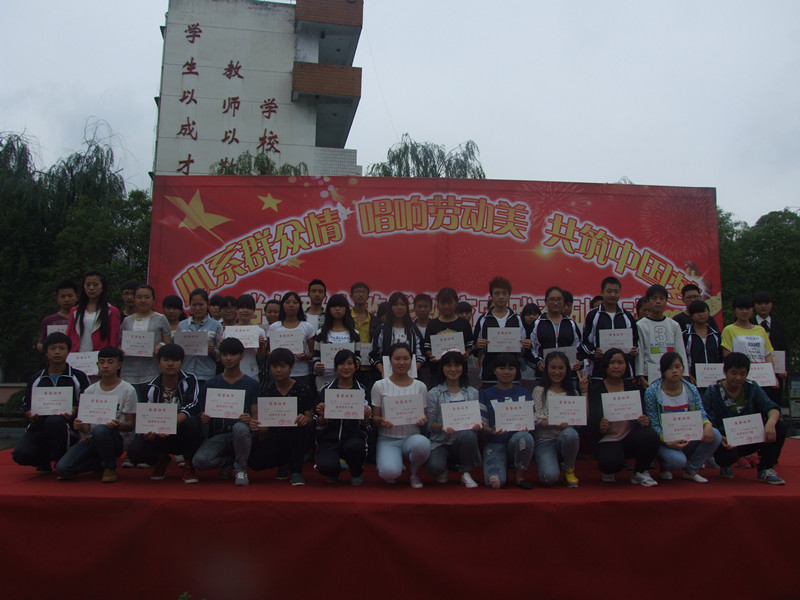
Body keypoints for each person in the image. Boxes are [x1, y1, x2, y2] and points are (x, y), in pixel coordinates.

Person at [54, 346, 137, 483]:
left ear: (119, 365)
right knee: (62, 469)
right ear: (97, 364)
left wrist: (117, 425)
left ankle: (110, 468)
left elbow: (130, 425)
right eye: (102, 362)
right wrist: (80, 425)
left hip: (116, 439)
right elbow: (87, 428)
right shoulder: (90, 390)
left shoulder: (128, 390)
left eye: (110, 362)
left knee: (101, 429)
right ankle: (100, 464)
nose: (105, 366)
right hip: (93, 438)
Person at [702, 352, 787, 484]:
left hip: (750, 437)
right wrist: (719, 437)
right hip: (726, 442)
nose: (738, 378)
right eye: (734, 373)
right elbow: (705, 417)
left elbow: (771, 407)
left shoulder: (752, 387)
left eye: (742, 373)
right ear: (725, 371)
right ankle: (725, 466)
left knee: (779, 426)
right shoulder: (713, 391)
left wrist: (770, 422)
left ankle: (766, 469)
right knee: (725, 456)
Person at [126, 343, 204, 483]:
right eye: (166, 360)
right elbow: (145, 415)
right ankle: (161, 459)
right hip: (159, 434)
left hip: (182, 431)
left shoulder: (190, 380)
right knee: (135, 452)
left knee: (192, 423)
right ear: (158, 363)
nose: (170, 364)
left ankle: (188, 464)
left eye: (175, 360)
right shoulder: (149, 387)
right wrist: (148, 432)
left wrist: (169, 423)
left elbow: (192, 405)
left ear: (181, 363)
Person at [12, 332, 90, 472]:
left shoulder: (78, 377)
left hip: (67, 426)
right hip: (40, 424)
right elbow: (26, 403)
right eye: (53, 348)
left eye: (62, 348)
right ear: (46, 352)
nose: (57, 352)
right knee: (20, 454)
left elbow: (87, 402)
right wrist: (30, 413)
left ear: (68, 351)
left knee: (54, 421)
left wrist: (75, 409)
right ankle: (43, 460)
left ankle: (62, 461)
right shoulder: (36, 378)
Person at [643, 352, 721, 483]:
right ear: (662, 371)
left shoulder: (691, 389)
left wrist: (707, 424)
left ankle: (691, 470)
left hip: (688, 435)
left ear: (683, 368)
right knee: (677, 462)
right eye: (669, 368)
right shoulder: (652, 392)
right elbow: (654, 422)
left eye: (677, 367)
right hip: (665, 440)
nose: (674, 371)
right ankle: (664, 465)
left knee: (715, 434)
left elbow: (700, 412)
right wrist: (666, 441)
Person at [588, 348, 660, 486]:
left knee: (650, 435)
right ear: (605, 365)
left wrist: (645, 421)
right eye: (612, 362)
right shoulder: (595, 389)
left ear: (626, 365)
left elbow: (643, 414)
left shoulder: (633, 388)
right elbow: (591, 422)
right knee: (611, 463)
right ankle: (609, 469)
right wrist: (600, 427)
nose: (616, 366)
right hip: (608, 439)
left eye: (620, 362)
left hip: (630, 437)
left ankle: (640, 472)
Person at [193, 337, 258, 485]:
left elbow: (256, 416)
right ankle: (229, 462)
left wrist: (250, 420)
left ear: (242, 356)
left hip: (242, 435)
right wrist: (203, 417)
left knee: (240, 428)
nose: (228, 358)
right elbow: (202, 411)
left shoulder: (252, 384)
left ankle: (241, 469)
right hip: (219, 435)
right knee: (200, 461)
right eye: (224, 354)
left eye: (233, 354)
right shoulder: (211, 383)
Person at [250, 348, 315, 485]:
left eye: (282, 366)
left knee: (299, 428)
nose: (278, 370)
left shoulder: (303, 389)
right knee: (255, 462)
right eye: (274, 366)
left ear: (291, 367)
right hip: (276, 437)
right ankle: (284, 463)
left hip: (298, 437)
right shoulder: (267, 392)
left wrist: (305, 419)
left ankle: (296, 471)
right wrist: (256, 425)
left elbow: (310, 418)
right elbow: (264, 429)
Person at [371, 343, 431, 487]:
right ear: (390, 361)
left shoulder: (420, 386)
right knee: (389, 474)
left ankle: (413, 473)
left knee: (423, 444)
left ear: (411, 360)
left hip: (412, 437)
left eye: (406, 358)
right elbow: (375, 418)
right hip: (388, 439)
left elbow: (424, 416)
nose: (401, 363)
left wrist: (423, 420)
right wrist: (382, 421)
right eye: (397, 359)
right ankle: (394, 463)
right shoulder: (379, 385)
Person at [313, 349, 370, 485]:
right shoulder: (325, 390)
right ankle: (334, 468)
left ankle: (356, 471)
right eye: (341, 364)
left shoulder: (362, 391)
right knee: (326, 466)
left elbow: (368, 425)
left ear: (355, 366)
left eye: (350, 363)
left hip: (353, 437)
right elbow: (316, 423)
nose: (346, 367)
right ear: (335, 368)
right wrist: (322, 418)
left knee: (355, 447)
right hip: (329, 439)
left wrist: (366, 418)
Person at [425, 351, 481, 488]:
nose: (453, 369)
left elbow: (476, 419)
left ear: (463, 367)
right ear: (442, 368)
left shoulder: (472, 393)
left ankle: (466, 472)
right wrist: (442, 426)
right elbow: (430, 426)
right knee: (434, 467)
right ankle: (443, 468)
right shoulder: (434, 393)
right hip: (440, 442)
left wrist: (477, 425)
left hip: (462, 441)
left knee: (469, 435)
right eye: (448, 366)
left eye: (457, 365)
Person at [479, 353, 535, 489]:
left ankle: (519, 475)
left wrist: (528, 426)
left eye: (511, 368)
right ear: (494, 371)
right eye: (502, 368)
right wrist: (490, 430)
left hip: (517, 441)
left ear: (516, 371)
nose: (506, 372)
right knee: (494, 483)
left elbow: (533, 419)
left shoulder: (524, 393)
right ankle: (503, 465)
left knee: (525, 438)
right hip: (495, 442)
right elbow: (481, 423)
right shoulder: (485, 394)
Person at [532, 351, 587, 487]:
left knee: (571, 434)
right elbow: (537, 419)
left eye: (561, 368)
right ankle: (552, 461)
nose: (557, 372)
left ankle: (569, 468)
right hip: (544, 440)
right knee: (549, 478)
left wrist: (584, 391)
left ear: (567, 370)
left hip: (565, 436)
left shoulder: (573, 393)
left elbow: (583, 416)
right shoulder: (539, 391)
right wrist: (556, 424)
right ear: (546, 369)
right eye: (553, 368)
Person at [473, 276, 530, 387]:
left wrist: (526, 345)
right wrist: (478, 346)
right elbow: (475, 351)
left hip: (512, 376)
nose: (501, 297)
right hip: (489, 375)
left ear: (509, 295)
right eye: (497, 293)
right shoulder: (483, 319)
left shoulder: (517, 318)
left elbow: (523, 349)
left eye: (504, 293)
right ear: (491, 295)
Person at [581, 276, 638, 381]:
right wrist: (594, 353)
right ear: (602, 293)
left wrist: (634, 350)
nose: (613, 295)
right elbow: (584, 343)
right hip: (599, 371)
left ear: (620, 293)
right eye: (609, 291)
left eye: (616, 292)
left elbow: (635, 341)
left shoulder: (627, 316)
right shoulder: (593, 315)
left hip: (624, 372)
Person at [635, 284, 687, 388]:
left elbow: (680, 350)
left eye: (662, 298)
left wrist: (684, 374)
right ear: (648, 301)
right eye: (654, 298)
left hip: (672, 373)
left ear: (666, 301)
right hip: (649, 374)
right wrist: (640, 376)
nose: (658, 301)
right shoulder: (640, 325)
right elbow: (640, 353)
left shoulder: (674, 325)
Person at [423, 287, 474, 388]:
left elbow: (470, 345)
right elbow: (427, 347)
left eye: (450, 303)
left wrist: (467, 353)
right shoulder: (432, 324)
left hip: (459, 373)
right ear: (437, 304)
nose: (446, 306)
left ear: (456, 302)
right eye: (443, 303)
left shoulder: (464, 324)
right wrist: (431, 355)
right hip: (437, 372)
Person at [120, 285, 172, 384]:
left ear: (153, 299)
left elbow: (168, 342)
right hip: (128, 371)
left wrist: (161, 345)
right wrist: (121, 348)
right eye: (139, 297)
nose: (143, 300)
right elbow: (119, 342)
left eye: (147, 297)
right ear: (135, 299)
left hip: (152, 371)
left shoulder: (161, 319)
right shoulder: (127, 321)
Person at [265, 291, 316, 388]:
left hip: (301, 372)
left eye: (295, 302)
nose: (291, 305)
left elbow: (313, 353)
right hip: (278, 373)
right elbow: (267, 352)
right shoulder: (274, 327)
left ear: (300, 305)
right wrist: (273, 355)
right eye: (287, 302)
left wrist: (305, 356)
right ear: (282, 305)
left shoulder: (307, 326)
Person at [529, 286, 583, 375]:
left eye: (559, 299)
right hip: (544, 374)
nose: (555, 303)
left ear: (563, 301)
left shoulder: (570, 323)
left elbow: (578, 346)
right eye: (552, 299)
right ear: (546, 301)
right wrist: (538, 362)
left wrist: (578, 361)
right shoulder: (537, 323)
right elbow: (531, 348)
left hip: (568, 374)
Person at [370, 292, 425, 378]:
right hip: (386, 377)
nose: (399, 307)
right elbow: (373, 355)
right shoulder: (381, 330)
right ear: (390, 307)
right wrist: (383, 370)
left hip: (410, 377)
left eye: (402, 304)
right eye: (395, 304)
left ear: (407, 307)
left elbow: (421, 354)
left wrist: (414, 369)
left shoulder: (413, 330)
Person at [176, 288, 223, 387]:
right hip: (185, 374)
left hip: (206, 376)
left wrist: (212, 351)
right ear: (190, 305)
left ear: (208, 304)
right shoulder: (182, 325)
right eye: (194, 305)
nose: (197, 308)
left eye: (201, 305)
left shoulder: (216, 325)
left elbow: (221, 354)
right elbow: (176, 351)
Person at [66, 270, 121, 353]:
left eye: (95, 285)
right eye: (88, 285)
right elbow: (69, 335)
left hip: (101, 356)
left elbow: (113, 338)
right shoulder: (75, 311)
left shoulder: (112, 311)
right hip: (77, 355)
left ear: (103, 287)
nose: (91, 288)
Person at [313, 293, 361, 387]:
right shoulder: (320, 333)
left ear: (346, 309)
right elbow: (316, 357)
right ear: (329, 309)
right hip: (325, 382)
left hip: (348, 383)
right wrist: (317, 366)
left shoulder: (354, 334)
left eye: (341, 306)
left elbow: (358, 356)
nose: (337, 309)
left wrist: (356, 363)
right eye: (334, 306)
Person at [753, 290, 788, 404]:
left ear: (771, 304)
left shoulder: (779, 326)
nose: (763, 306)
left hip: (776, 373)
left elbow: (784, 348)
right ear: (754, 305)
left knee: (774, 404)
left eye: (766, 303)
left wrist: (784, 368)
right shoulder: (748, 324)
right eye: (760, 303)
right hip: (754, 373)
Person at [223, 294, 267, 381]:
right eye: (242, 307)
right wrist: (222, 345)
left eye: (249, 308)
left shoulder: (259, 331)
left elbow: (261, 358)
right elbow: (223, 356)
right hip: (230, 373)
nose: (245, 310)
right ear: (236, 310)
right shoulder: (228, 331)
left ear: (254, 311)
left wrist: (261, 346)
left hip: (251, 373)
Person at [682, 300, 722, 386]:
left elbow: (720, 357)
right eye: (697, 312)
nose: (701, 314)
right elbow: (682, 357)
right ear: (691, 315)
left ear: (708, 313)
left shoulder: (716, 335)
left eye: (703, 311)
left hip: (715, 379)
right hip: (693, 380)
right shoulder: (685, 335)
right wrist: (688, 374)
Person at [349, 282, 378, 392]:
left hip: (369, 367)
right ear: (351, 296)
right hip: (350, 367)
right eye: (357, 292)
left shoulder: (375, 320)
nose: (360, 295)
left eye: (363, 292)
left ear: (368, 296)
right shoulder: (346, 318)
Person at [36, 280, 78, 353]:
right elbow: (40, 344)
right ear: (57, 299)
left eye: (70, 296)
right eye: (63, 296)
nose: (67, 300)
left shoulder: (85, 318)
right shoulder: (49, 321)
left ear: (77, 297)